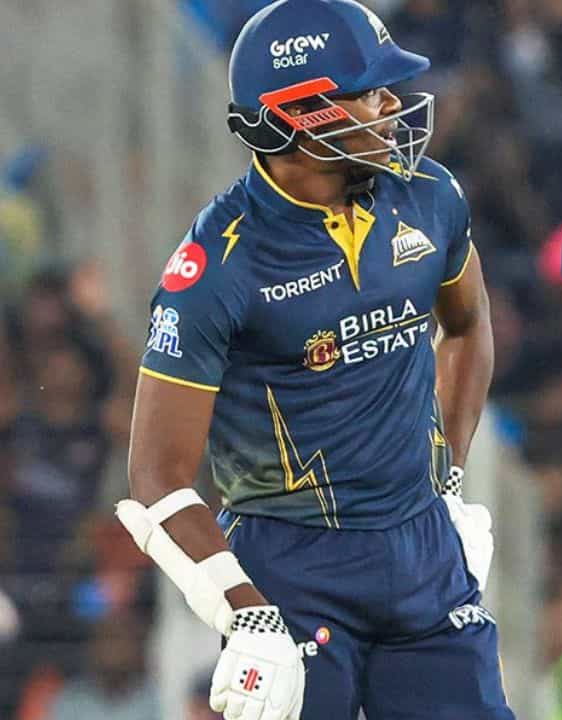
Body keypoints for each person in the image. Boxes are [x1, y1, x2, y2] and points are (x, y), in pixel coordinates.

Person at [115, 1, 510, 718]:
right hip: (291, 570)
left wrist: (446, 480)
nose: (395, 106)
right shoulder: (216, 268)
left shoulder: (430, 196)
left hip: (425, 551)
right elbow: (155, 478)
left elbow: (467, 324)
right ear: (299, 114)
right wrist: (245, 612)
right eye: (370, 91)